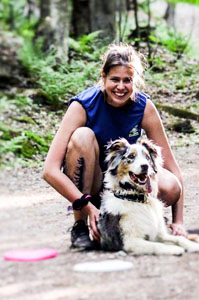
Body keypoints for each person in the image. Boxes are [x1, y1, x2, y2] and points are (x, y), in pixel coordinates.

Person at [43, 43, 187, 250]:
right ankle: (81, 225)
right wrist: (87, 207)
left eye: (127, 80)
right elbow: (50, 171)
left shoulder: (144, 107)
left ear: (134, 80)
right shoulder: (82, 105)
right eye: (114, 80)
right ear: (103, 77)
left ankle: (142, 221)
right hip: (92, 187)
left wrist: (179, 221)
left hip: (124, 190)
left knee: (171, 186)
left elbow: (173, 170)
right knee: (83, 136)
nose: (121, 87)